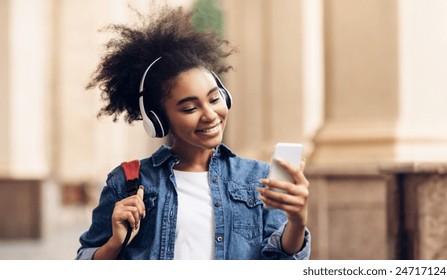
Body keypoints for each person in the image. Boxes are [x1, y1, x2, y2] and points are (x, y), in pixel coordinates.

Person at [76, 6, 310, 260]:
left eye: (214, 98)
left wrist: (297, 221)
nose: (209, 114)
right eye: (189, 107)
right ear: (158, 119)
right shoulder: (127, 182)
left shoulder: (258, 179)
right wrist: (115, 242)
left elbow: (279, 263)